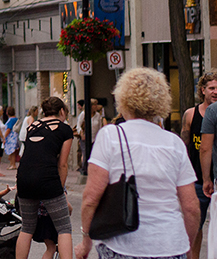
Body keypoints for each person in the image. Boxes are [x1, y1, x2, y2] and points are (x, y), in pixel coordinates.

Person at [77, 68, 199, 259]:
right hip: (170, 244)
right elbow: (191, 207)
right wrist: (187, 246)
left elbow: (91, 198)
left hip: (123, 244)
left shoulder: (111, 136)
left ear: (123, 100)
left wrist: (86, 240)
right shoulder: (174, 142)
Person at [15, 97, 73, 259]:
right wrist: (59, 190)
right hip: (47, 179)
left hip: (24, 178)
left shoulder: (32, 126)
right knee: (63, 228)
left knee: (27, 227)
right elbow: (62, 164)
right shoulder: (64, 129)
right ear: (62, 111)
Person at [182, 71, 217, 259]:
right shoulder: (190, 114)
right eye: (211, 88)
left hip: (214, 175)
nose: (215, 92)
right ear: (202, 90)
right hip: (197, 178)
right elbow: (184, 147)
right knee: (196, 224)